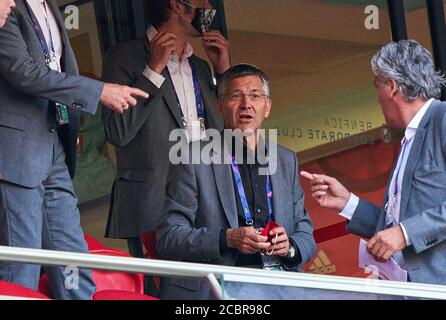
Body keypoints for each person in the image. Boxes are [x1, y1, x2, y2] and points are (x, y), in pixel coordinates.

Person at [0, 0, 148, 300]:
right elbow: (23, 72)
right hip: (16, 151)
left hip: (54, 142)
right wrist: (99, 91)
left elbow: (55, 66)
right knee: (22, 268)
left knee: (72, 259)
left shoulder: (50, 6)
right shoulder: (6, 6)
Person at [156, 64, 316, 299]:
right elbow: (169, 236)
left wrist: (289, 246)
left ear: (267, 106)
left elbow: (305, 232)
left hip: (281, 280)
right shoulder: (192, 159)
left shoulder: (284, 159)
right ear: (220, 107)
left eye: (255, 96)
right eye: (235, 96)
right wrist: (227, 238)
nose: (246, 104)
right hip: (223, 283)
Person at [301, 40, 446, 285]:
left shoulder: (442, 118)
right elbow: (392, 228)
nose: (377, 97)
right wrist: (348, 203)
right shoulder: (409, 139)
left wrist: (406, 233)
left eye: (376, 85)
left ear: (391, 86)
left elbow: (401, 232)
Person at [102, 0, 228, 266]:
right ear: (177, 5)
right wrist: (153, 71)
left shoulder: (202, 67)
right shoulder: (125, 57)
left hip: (205, 198)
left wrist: (223, 72)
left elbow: (229, 137)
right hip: (153, 201)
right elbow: (118, 131)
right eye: (202, 1)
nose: (208, 6)